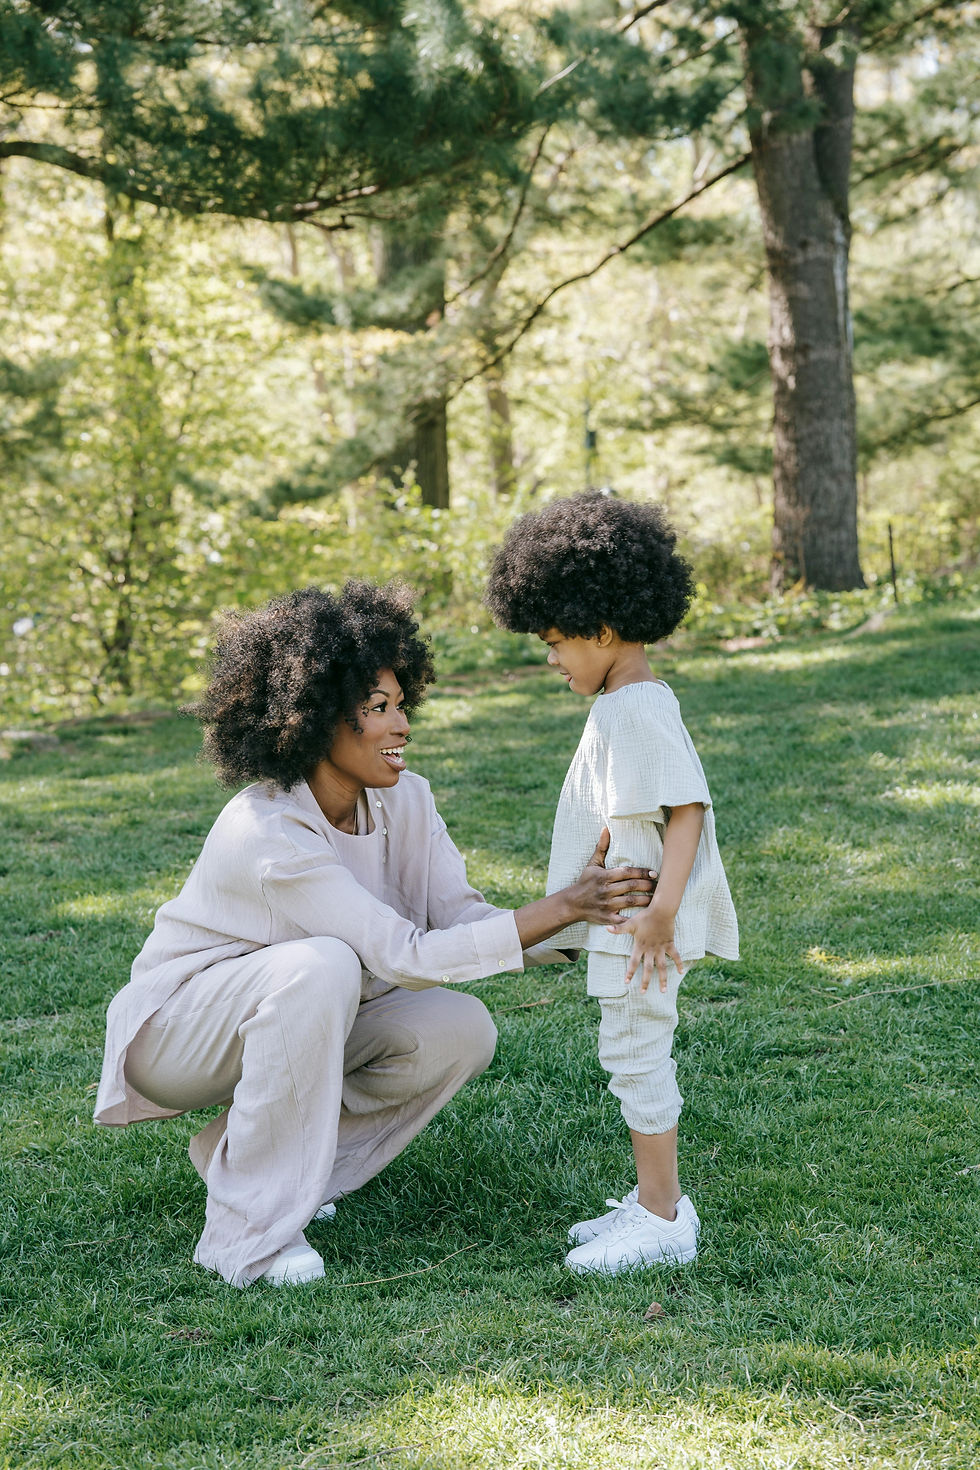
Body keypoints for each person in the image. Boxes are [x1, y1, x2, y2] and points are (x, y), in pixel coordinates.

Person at [94, 580, 655, 1288]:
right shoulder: (267, 828)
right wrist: (563, 905)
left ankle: (252, 1167)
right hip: (178, 1036)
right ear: (316, 720)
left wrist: (580, 919)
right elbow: (402, 953)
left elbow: (462, 920)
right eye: (377, 710)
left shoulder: (407, 801)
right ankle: (249, 1235)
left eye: (401, 706)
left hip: (302, 1011)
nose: (402, 727)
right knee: (322, 964)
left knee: (459, 1027)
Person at [485, 492, 739, 1273]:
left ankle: (663, 1220)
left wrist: (661, 915)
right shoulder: (621, 704)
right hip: (628, 916)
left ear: (603, 629)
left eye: (559, 643)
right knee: (628, 1047)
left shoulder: (636, 706)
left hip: (642, 927)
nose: (553, 660)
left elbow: (688, 808)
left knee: (636, 1051)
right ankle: (652, 1200)